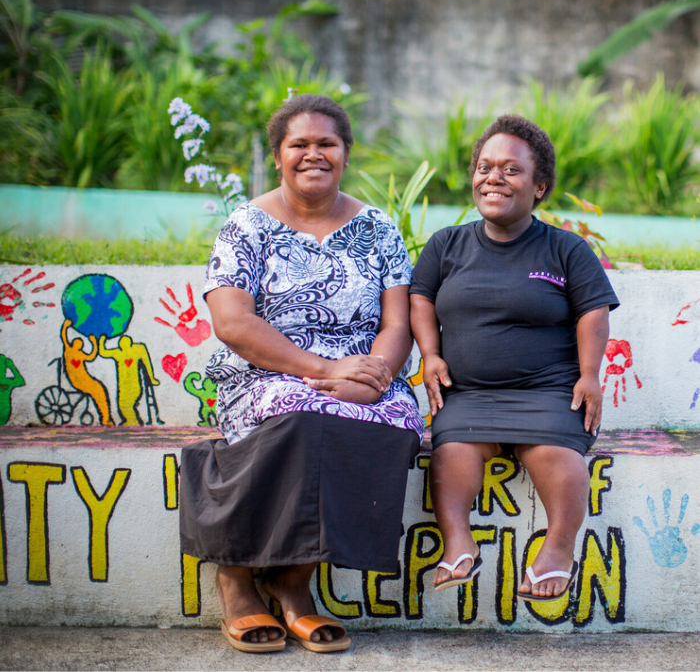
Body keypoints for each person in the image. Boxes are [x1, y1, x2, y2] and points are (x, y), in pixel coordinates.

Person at [179, 94, 423, 653]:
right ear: (279, 154)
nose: (313, 155)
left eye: (326, 144)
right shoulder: (247, 226)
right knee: (305, 411)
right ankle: (237, 576)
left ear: (345, 153)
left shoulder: (378, 229)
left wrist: (377, 373)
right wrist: (323, 369)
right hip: (265, 374)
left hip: (362, 373)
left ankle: (293, 582)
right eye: (300, 145)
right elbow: (233, 322)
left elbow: (397, 319)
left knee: (390, 418)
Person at [409, 115, 619, 602]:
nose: (494, 178)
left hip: (546, 392)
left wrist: (590, 376)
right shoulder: (447, 244)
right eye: (485, 167)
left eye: (511, 169)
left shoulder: (566, 249)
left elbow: (593, 312)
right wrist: (431, 355)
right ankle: (459, 543)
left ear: (539, 185)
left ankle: (558, 549)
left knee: (555, 454)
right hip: (469, 394)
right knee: (453, 451)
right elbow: (420, 298)